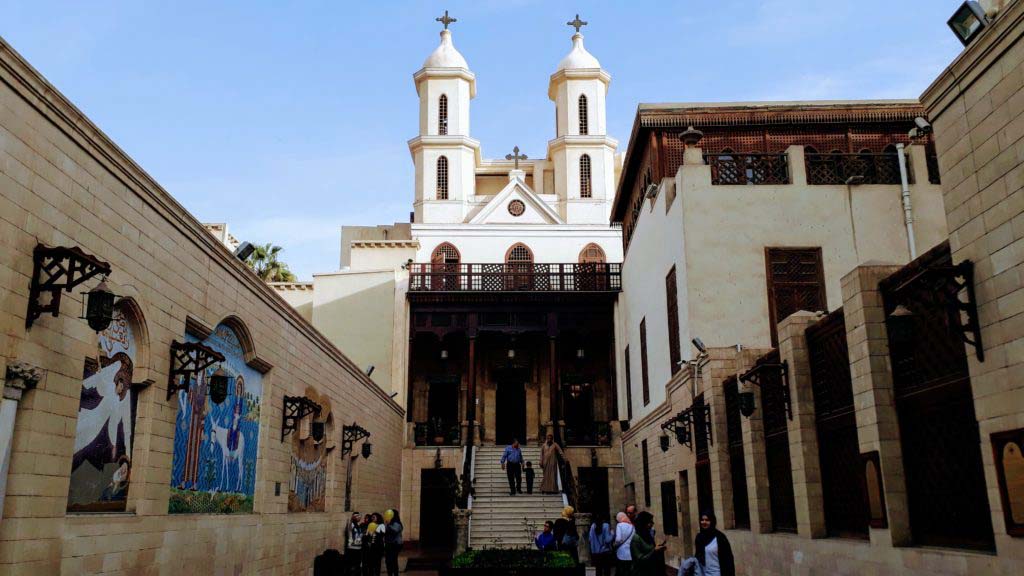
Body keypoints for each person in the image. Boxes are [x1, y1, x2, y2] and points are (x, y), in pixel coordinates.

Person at [693, 511, 734, 576]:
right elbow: (698, 556)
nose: (704, 522)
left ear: (712, 521)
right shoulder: (699, 538)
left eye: (707, 520)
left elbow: (728, 561)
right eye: (702, 520)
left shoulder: (720, 538)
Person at [629, 511, 666, 576]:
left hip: (650, 571)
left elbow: (650, 549)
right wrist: (654, 551)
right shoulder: (636, 538)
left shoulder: (647, 535)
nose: (653, 523)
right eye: (650, 522)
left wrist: (659, 547)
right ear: (643, 523)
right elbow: (640, 560)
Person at [611, 511, 635, 576]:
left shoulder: (619, 525)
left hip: (621, 554)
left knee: (622, 571)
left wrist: (615, 544)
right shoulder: (632, 526)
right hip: (631, 553)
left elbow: (618, 539)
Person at [383, 509, 403, 576]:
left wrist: (388, 525)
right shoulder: (389, 523)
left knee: (393, 561)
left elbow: (394, 532)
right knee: (388, 561)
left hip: (395, 545)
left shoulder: (397, 524)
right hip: (388, 544)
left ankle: (395, 574)